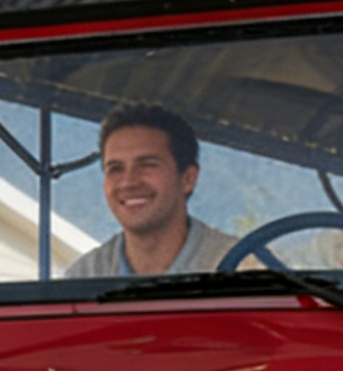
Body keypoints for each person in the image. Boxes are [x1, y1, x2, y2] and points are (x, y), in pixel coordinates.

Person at [61, 104, 237, 278]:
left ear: (188, 178)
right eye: (115, 168)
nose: (128, 182)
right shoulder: (82, 277)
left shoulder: (241, 268)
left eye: (147, 165)